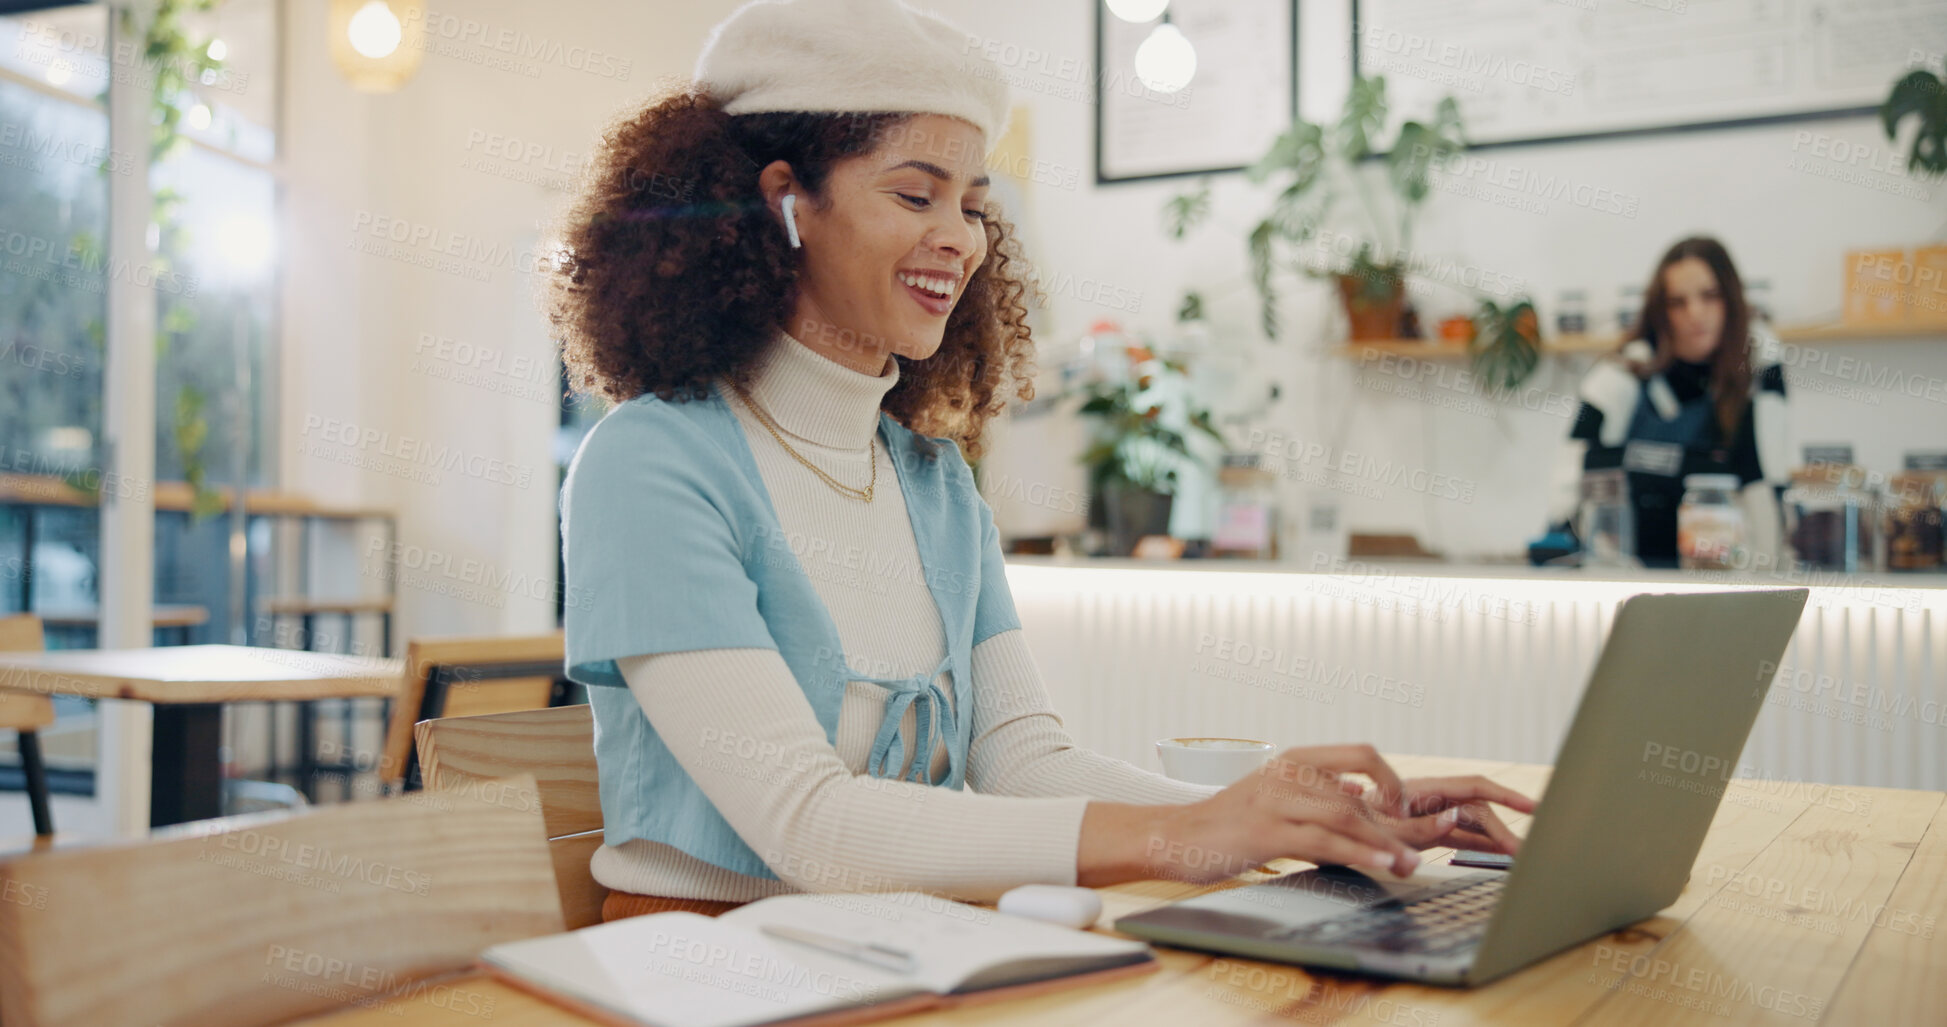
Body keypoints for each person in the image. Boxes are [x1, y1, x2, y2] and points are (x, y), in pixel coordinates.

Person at [549, 0, 1533, 921]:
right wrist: (1192, 833)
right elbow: (812, 825)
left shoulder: (933, 485)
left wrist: (1284, 819)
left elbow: (1023, 756)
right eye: (914, 194)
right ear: (785, 204)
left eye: (973, 205)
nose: (959, 240)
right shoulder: (650, 467)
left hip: (893, 954)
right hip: (699, 971)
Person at [1547, 236, 1790, 568]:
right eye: (1678, 302)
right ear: (1661, 310)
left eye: (1710, 296)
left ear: (1731, 298)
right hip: (1629, 572)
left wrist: (1769, 572)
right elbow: (1575, 472)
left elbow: (1764, 475)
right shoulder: (1620, 373)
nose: (1696, 314)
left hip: (1727, 570)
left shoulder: (1759, 364)